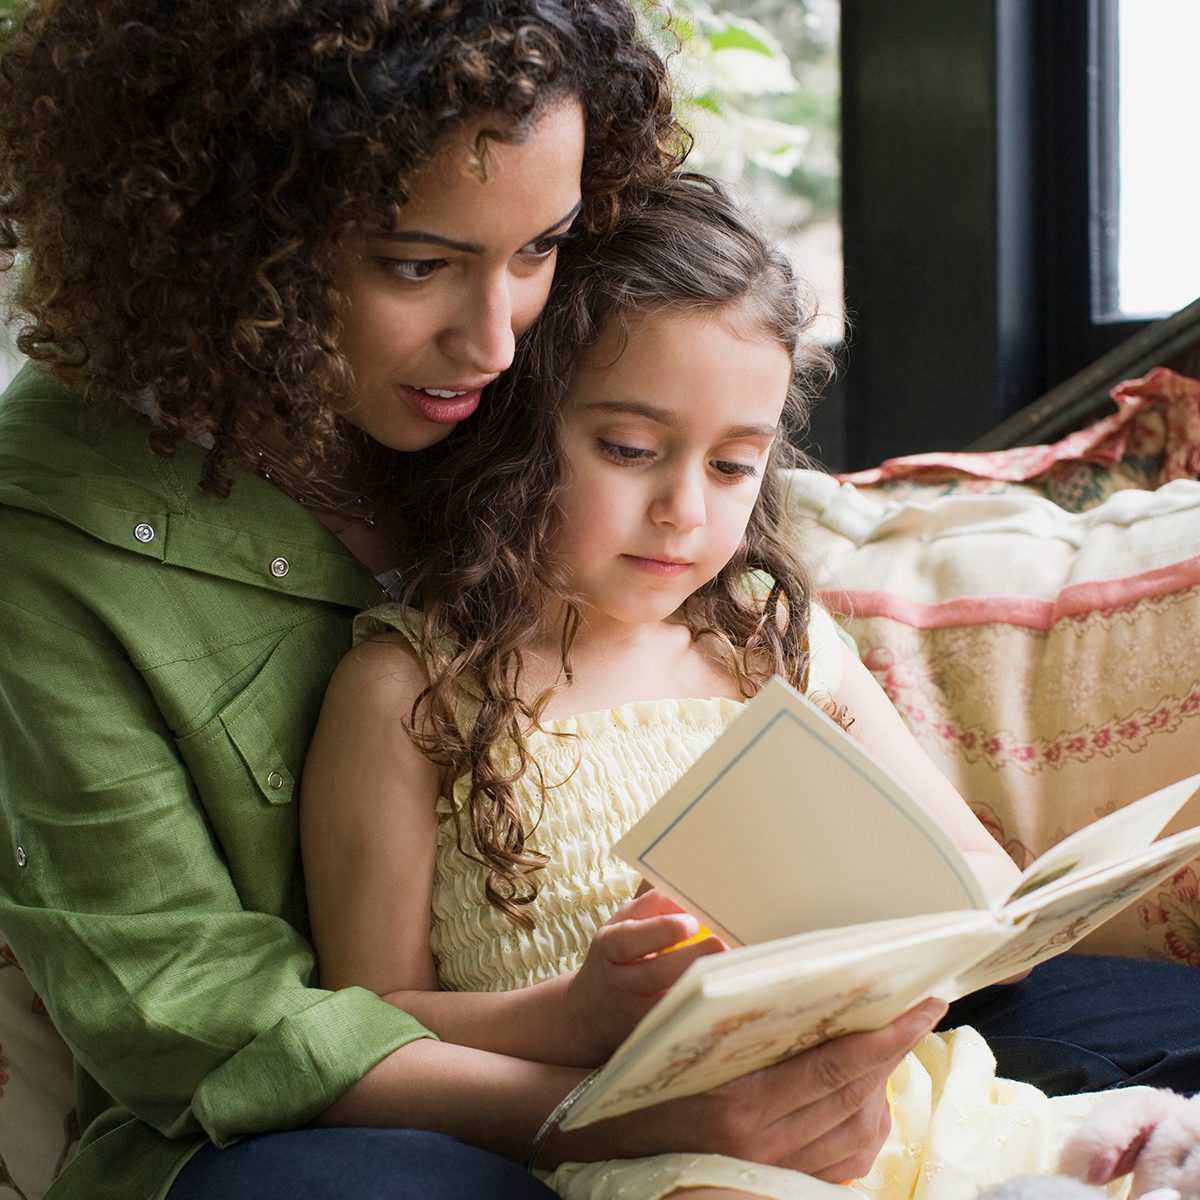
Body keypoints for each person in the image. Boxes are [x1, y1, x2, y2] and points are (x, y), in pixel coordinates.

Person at [0, 5, 950, 1200]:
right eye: (417, 264)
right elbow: (199, 1021)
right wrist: (628, 1119)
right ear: (224, 236)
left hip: (703, 1049)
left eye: (541, 248)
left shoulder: (536, 388)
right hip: (332, 1136)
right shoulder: (45, 540)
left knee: (1121, 1025)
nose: (496, 342)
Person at [300, 174, 1122, 1200]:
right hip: (662, 1160)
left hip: (884, 1111)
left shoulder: (768, 637)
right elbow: (372, 1024)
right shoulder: (407, 689)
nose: (684, 510)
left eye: (734, 466)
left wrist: (967, 938)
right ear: (512, 427)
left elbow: (978, 886)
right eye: (630, 450)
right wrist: (574, 1013)